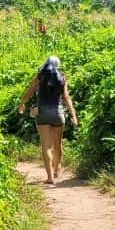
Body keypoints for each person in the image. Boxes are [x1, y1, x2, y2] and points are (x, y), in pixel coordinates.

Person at [18, 55, 78, 184]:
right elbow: (66, 97)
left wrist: (22, 103)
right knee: (57, 144)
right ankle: (57, 170)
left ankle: (50, 177)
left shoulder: (40, 76)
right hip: (58, 112)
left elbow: (30, 90)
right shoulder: (62, 77)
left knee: (45, 146)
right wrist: (73, 115)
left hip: (42, 112)